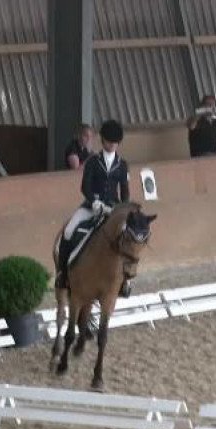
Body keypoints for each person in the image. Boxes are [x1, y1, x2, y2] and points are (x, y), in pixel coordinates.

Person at [57, 119, 132, 296]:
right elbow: (84, 187)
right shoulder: (92, 161)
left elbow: (125, 191)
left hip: (113, 208)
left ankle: (126, 280)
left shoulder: (122, 165)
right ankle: (63, 274)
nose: (112, 145)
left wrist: (122, 210)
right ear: (103, 141)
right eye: (109, 141)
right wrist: (94, 202)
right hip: (92, 205)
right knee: (68, 231)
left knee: (130, 236)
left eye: (115, 142)